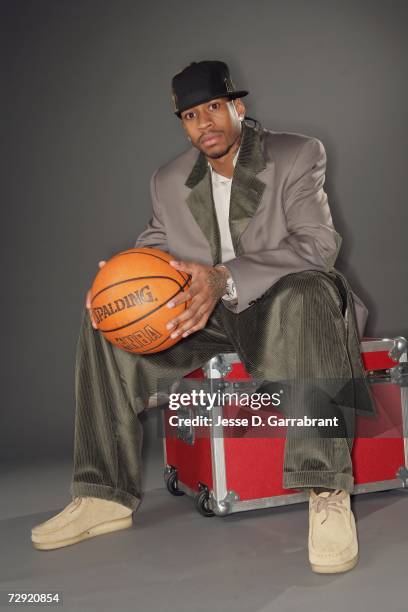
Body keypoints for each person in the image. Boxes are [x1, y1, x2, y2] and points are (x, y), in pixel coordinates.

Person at [31, 60, 375, 574]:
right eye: (191, 115)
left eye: (214, 108)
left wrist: (223, 276)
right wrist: (115, 280)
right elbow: (152, 253)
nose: (204, 124)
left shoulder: (296, 153)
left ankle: (326, 489)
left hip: (283, 310)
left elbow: (317, 245)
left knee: (311, 291)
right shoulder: (169, 180)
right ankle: (104, 493)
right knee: (106, 323)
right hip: (204, 318)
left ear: (237, 106)